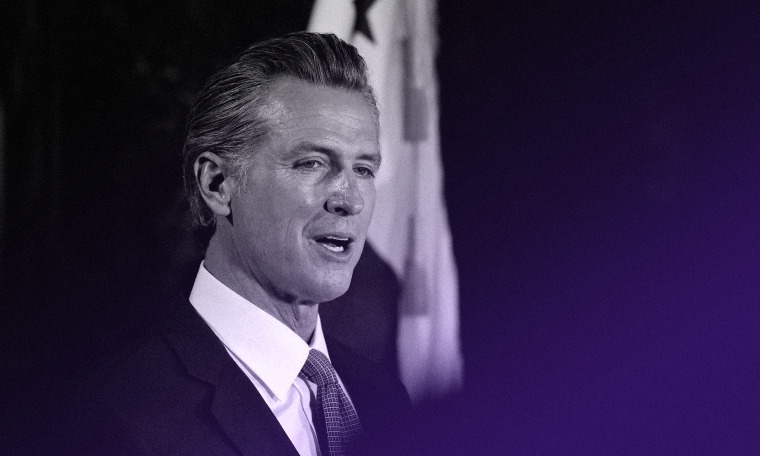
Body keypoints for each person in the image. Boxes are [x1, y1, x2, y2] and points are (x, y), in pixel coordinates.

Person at [69, 32, 411, 456]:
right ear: (217, 184)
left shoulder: (382, 396)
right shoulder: (118, 415)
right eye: (312, 163)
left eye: (363, 169)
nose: (349, 199)